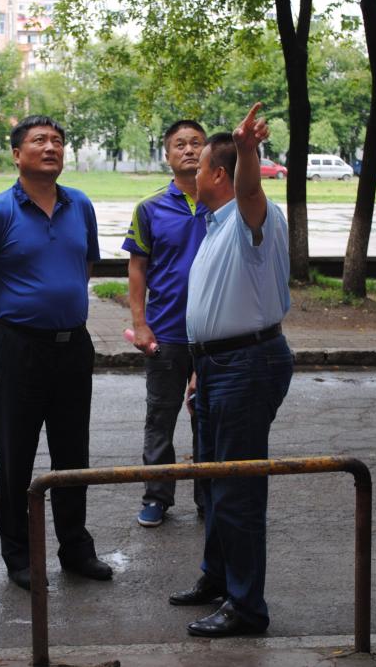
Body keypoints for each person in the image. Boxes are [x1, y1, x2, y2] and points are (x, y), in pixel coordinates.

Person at [0, 115, 112, 591]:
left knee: (73, 453)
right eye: (39, 140)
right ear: (16, 153)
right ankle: (20, 554)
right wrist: (9, 331)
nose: (51, 147)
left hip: (73, 347)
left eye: (58, 141)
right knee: (16, 456)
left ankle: (76, 548)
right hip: (21, 350)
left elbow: (85, 265)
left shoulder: (80, 205)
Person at [168, 103, 292, 638]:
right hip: (218, 364)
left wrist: (246, 151)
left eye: (200, 167)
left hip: (248, 363)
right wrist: (201, 365)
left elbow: (251, 193)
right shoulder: (215, 225)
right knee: (214, 481)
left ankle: (246, 606)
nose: (192, 174)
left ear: (219, 174)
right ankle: (217, 577)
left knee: (237, 488)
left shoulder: (248, 218)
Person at [122, 119, 209, 527]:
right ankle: (157, 496)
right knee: (160, 418)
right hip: (166, 333)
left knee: (207, 418)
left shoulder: (223, 204)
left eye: (196, 143)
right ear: (167, 155)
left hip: (213, 336)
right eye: (180, 144)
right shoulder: (150, 207)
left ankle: (209, 497)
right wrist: (140, 324)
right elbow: (137, 269)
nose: (189, 150)